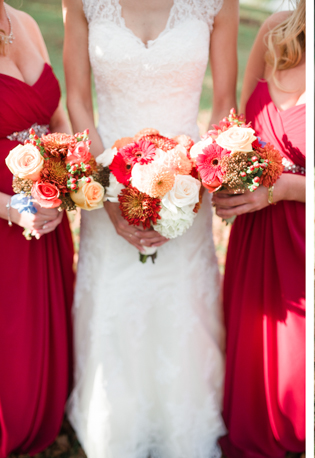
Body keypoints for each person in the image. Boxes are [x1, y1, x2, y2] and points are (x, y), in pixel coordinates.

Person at [61, 0, 238, 456]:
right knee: (115, 303)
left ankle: (185, 429)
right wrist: (105, 194)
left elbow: (223, 104)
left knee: (179, 301)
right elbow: (77, 100)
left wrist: (195, 184)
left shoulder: (216, 3)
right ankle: (115, 430)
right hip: (105, 178)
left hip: (187, 183)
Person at [213, 1, 306, 456]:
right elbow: (230, 121)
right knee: (254, 356)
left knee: (296, 372)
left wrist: (284, 188)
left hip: (301, 235)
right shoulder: (275, 31)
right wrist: (215, 172)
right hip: (255, 232)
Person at [0, 3, 75, 455]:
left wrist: (64, 180)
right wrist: (13, 210)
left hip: (46, 211)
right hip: (8, 217)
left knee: (37, 334)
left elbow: (57, 117)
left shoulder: (24, 22)